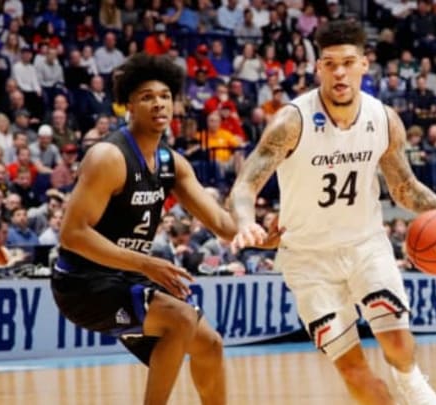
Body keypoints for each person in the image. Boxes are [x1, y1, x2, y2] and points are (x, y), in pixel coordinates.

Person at [228, 20, 436, 405]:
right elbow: (245, 185)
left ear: (365, 64)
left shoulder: (382, 119)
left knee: (396, 342)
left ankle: (412, 384)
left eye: (348, 62)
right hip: (308, 260)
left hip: (366, 246)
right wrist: (246, 222)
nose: (340, 72)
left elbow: (404, 187)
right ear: (318, 69)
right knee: (353, 370)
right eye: (330, 63)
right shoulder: (291, 121)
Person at [50, 53, 277, 405]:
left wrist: (262, 236)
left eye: (165, 96)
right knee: (181, 319)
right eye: (147, 97)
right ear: (128, 105)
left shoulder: (173, 163)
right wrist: (144, 263)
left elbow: (221, 224)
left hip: (126, 276)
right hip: (82, 282)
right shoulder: (108, 157)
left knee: (211, 345)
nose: (159, 103)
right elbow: (72, 234)